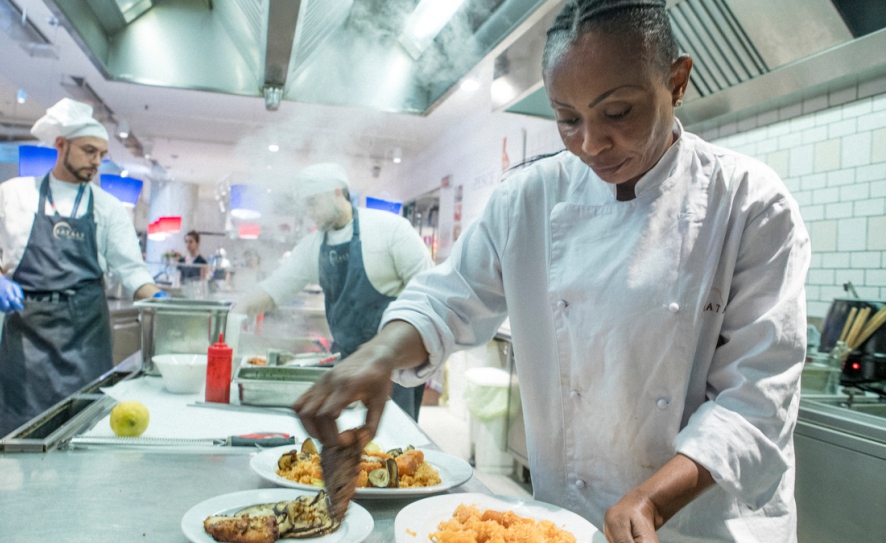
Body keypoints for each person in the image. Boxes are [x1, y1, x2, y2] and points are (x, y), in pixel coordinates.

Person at [294, 2, 810, 542]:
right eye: (567, 119)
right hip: (568, 518)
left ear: (677, 82)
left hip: (705, 526)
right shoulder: (529, 198)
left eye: (618, 113)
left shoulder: (749, 203)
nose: (590, 143)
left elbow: (755, 400)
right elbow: (448, 299)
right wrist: (376, 357)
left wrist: (650, 499)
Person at [0, 98, 167, 461]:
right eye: (89, 151)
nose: (96, 161)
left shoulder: (107, 207)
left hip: (85, 337)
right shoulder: (14, 194)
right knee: (11, 438)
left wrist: (159, 300)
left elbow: (133, 270)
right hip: (26, 337)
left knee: (79, 438)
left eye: (101, 154)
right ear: (61, 145)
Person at [240, 163, 433, 420]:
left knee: (395, 445)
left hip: (393, 363)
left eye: (313, 203)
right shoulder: (313, 245)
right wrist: (238, 309)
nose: (309, 212)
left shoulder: (390, 229)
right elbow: (276, 288)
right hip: (346, 362)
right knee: (347, 438)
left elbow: (428, 290)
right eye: (305, 205)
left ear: (337, 192)